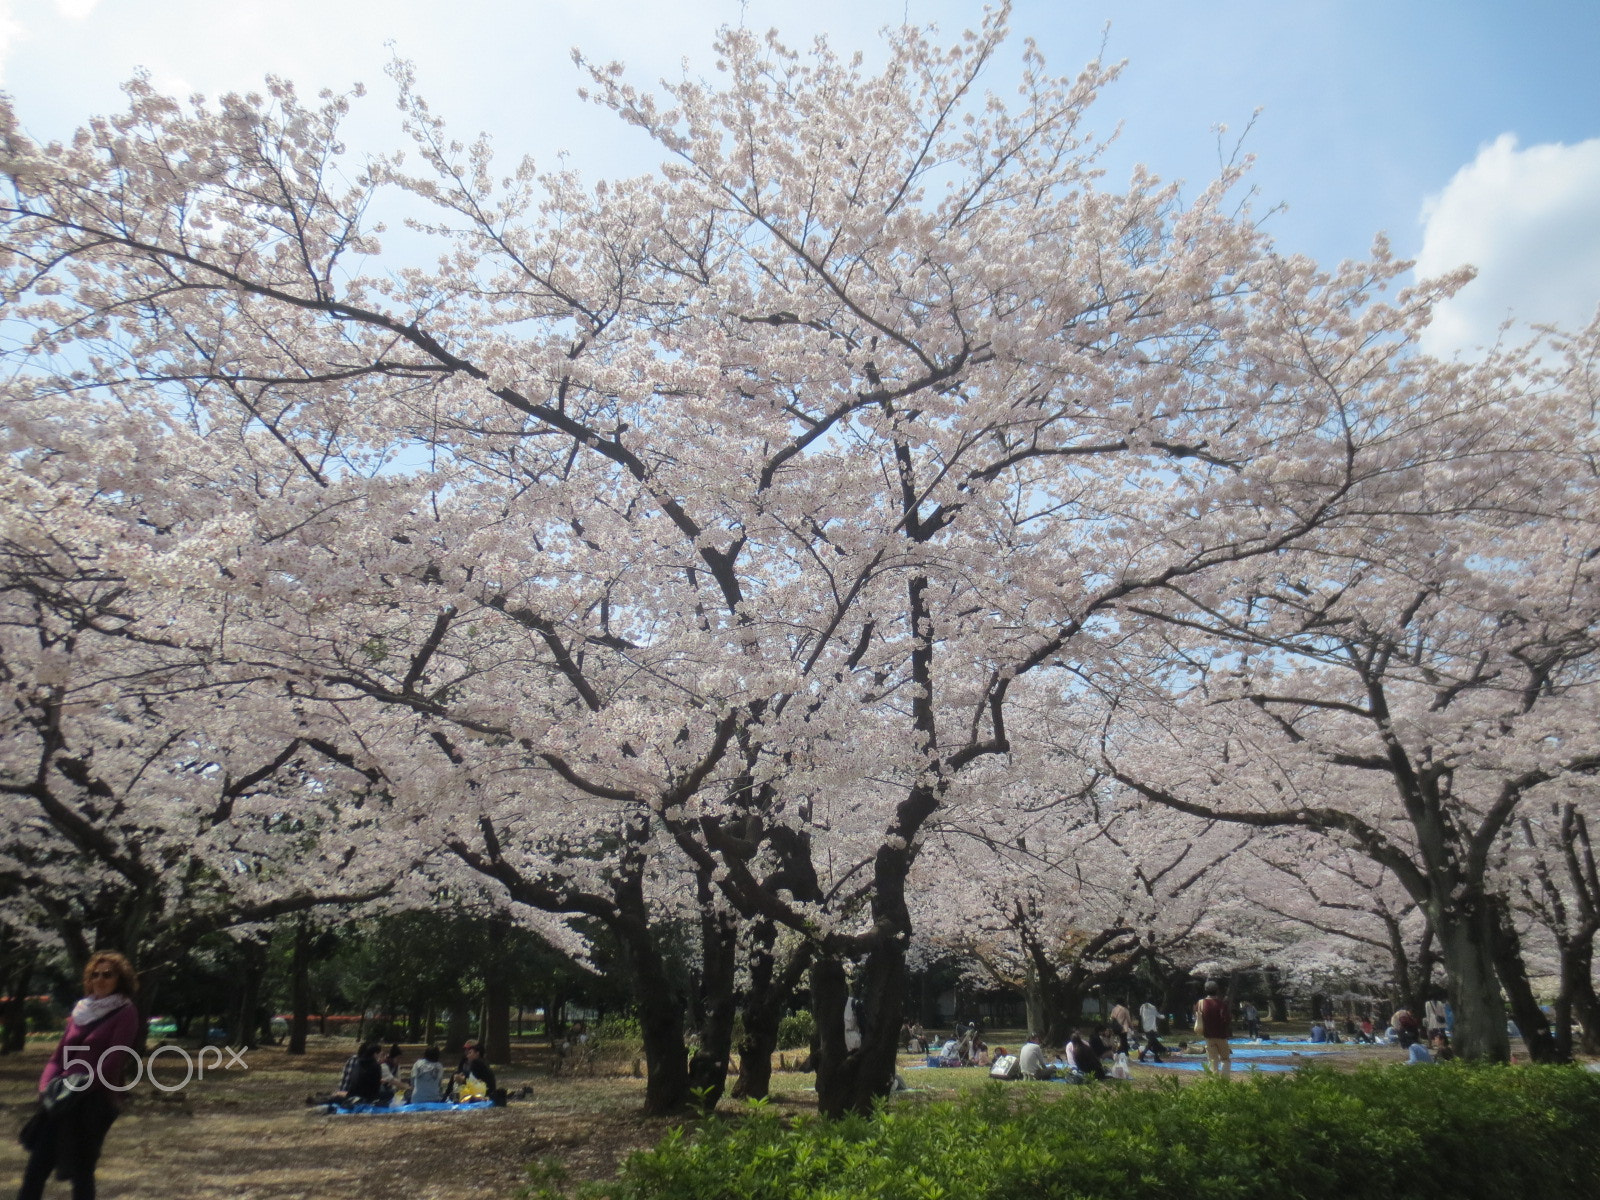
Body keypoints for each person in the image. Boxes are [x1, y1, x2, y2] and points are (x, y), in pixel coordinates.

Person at [18, 951, 142, 1200]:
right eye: (95, 974)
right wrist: (46, 1087)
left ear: (120, 979)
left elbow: (113, 1061)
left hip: (94, 1098)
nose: (100, 979)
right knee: (37, 1165)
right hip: (61, 1096)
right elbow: (58, 1057)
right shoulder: (81, 1012)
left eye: (108, 974)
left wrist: (80, 1088)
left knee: (82, 1168)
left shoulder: (126, 1012)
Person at [1195, 980, 1232, 1077]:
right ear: (1217, 990)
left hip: (1208, 1036)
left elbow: (1197, 1016)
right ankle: (1225, 1080)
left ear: (1205, 990)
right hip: (1221, 1036)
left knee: (1212, 1060)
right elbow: (1226, 1019)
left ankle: (1213, 1081)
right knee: (1225, 1059)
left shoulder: (1200, 1003)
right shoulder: (1221, 1004)